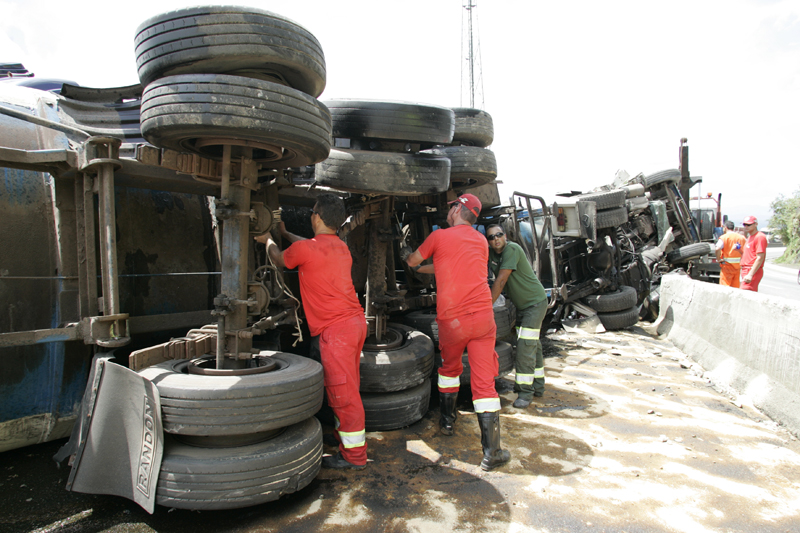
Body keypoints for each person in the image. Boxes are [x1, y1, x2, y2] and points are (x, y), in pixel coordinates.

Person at [256, 193, 368, 470]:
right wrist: (284, 232)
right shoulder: (340, 247)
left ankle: (354, 457)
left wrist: (268, 240)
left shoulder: (308, 250)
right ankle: (345, 437)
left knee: (344, 395)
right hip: (354, 325)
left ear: (316, 216)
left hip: (336, 332)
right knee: (350, 387)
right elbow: (309, 247)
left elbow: (281, 259)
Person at [403, 193, 510, 471]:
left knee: (449, 369)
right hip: (482, 318)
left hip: (452, 322)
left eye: (452, 207)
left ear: (459, 209)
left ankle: (447, 423)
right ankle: (491, 452)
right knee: (484, 382)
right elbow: (452, 263)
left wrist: (406, 257)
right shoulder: (480, 242)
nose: (449, 210)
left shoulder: (439, 238)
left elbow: (415, 261)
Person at [486, 224, 548, 408]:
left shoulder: (512, 249)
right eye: (491, 237)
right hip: (523, 306)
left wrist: (486, 306)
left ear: (504, 236)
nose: (496, 239)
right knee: (533, 346)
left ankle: (525, 393)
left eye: (499, 235)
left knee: (524, 347)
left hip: (535, 304)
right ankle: (538, 387)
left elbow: (502, 279)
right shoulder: (493, 255)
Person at [740, 215, 768, 292]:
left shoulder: (759, 237)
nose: (746, 227)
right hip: (745, 269)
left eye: (749, 225)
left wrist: (750, 274)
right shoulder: (750, 237)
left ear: (756, 224)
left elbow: (760, 257)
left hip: (751, 269)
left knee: (745, 293)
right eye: (744, 225)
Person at [715, 220, 746, 288]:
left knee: (725, 287)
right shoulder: (742, 238)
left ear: (725, 227)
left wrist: (719, 259)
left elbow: (717, 248)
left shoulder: (724, 237)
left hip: (727, 266)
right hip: (738, 267)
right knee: (735, 287)